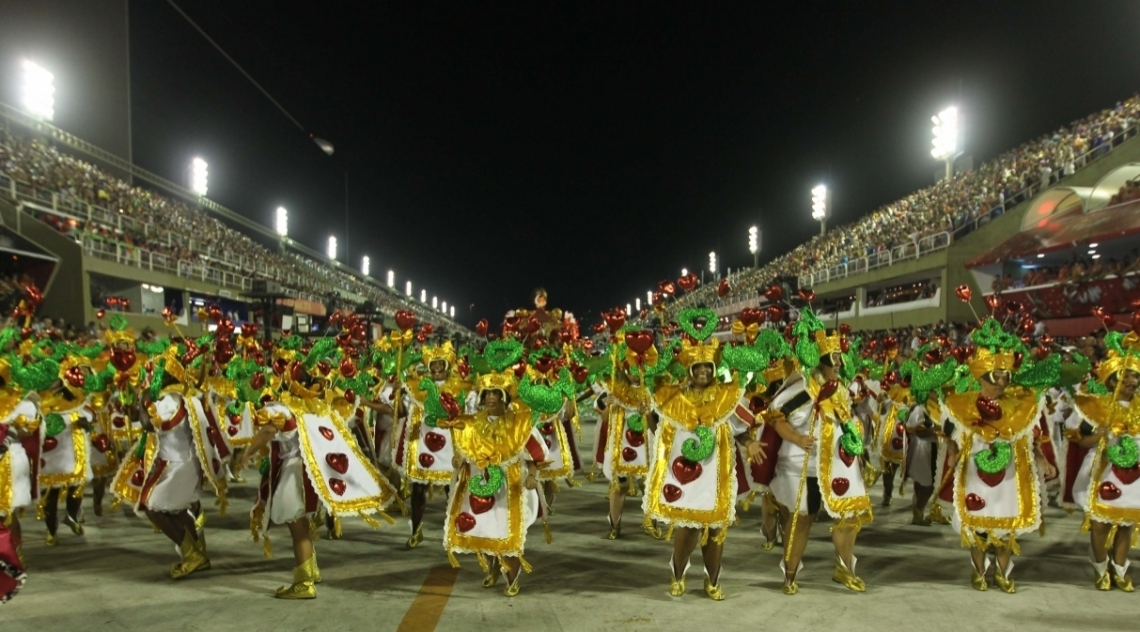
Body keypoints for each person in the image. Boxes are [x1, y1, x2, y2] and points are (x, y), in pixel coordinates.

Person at [644, 327, 764, 601]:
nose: (703, 372)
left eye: (707, 366)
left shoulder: (726, 396)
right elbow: (656, 425)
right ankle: (677, 574)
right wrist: (647, 412)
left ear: (713, 367)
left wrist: (750, 443)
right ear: (690, 369)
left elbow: (740, 427)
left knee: (716, 529)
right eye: (698, 367)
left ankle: (712, 579)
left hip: (717, 473)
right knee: (687, 530)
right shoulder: (673, 397)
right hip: (685, 474)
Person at [942, 319, 1057, 593]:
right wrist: (952, 452)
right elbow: (947, 432)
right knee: (978, 522)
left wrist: (1042, 460)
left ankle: (1003, 572)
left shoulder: (1020, 406)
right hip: (974, 470)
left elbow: (1032, 437)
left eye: (1006, 377)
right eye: (997, 377)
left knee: (1007, 523)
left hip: (1011, 471)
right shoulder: (961, 404)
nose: (1003, 382)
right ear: (981, 377)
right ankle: (979, 571)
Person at [769, 313, 874, 595]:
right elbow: (776, 418)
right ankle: (790, 574)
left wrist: (858, 452)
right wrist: (797, 437)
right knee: (802, 520)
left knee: (849, 517)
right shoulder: (803, 390)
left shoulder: (840, 389)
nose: (839, 363)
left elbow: (844, 422)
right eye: (834, 358)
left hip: (840, 466)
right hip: (804, 466)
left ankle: (844, 568)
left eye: (840, 357)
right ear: (820, 361)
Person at [441, 342, 547, 597]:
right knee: (484, 529)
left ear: (505, 397)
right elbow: (463, 454)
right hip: (479, 481)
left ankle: (512, 577)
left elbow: (535, 453)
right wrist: (458, 462)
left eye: (495, 393)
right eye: (486, 393)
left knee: (505, 532)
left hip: (509, 485)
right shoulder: (471, 424)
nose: (490, 398)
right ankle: (491, 569)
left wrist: (532, 476)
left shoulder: (519, 423)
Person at [1065, 330, 1140, 591]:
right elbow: (1079, 440)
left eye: (1136, 376)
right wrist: (1098, 435)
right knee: (1099, 524)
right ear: (1112, 380)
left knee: (1126, 522)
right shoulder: (1094, 406)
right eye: (1127, 376)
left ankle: (1119, 568)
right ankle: (1100, 567)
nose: (1133, 381)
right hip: (1102, 470)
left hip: (1134, 470)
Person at [394, 341, 469, 548]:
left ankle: (455, 532)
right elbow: (401, 413)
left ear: (447, 366)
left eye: (440, 364)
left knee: (451, 489)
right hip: (424, 442)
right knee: (418, 488)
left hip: (449, 443)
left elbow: (467, 415)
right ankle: (416, 531)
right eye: (433, 365)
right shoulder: (417, 387)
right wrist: (399, 394)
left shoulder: (459, 387)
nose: (436, 368)